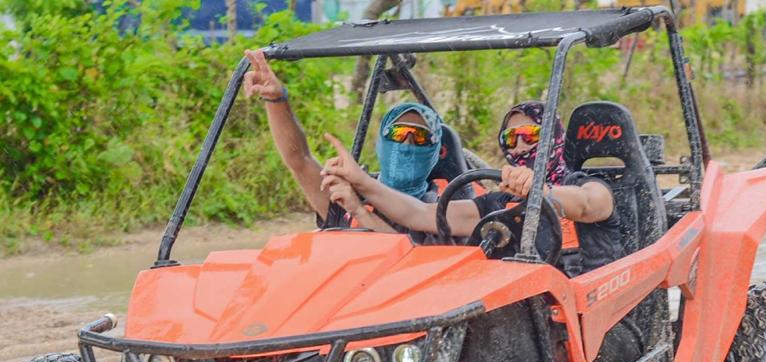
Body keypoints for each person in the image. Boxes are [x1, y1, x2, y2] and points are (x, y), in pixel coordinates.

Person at [319, 100, 624, 277]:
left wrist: (540, 192)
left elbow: (587, 205)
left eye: (530, 135)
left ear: (552, 137)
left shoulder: (589, 187)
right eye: (510, 139)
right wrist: (362, 183)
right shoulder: (499, 203)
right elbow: (420, 214)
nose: (519, 146)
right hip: (529, 325)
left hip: (597, 323)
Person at [241, 50, 442, 234]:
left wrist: (360, 213)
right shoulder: (347, 194)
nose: (406, 144)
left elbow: (417, 254)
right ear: (381, 143)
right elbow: (299, 159)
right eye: (397, 134)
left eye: (420, 137)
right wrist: (276, 99)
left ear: (435, 151)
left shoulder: (444, 209)